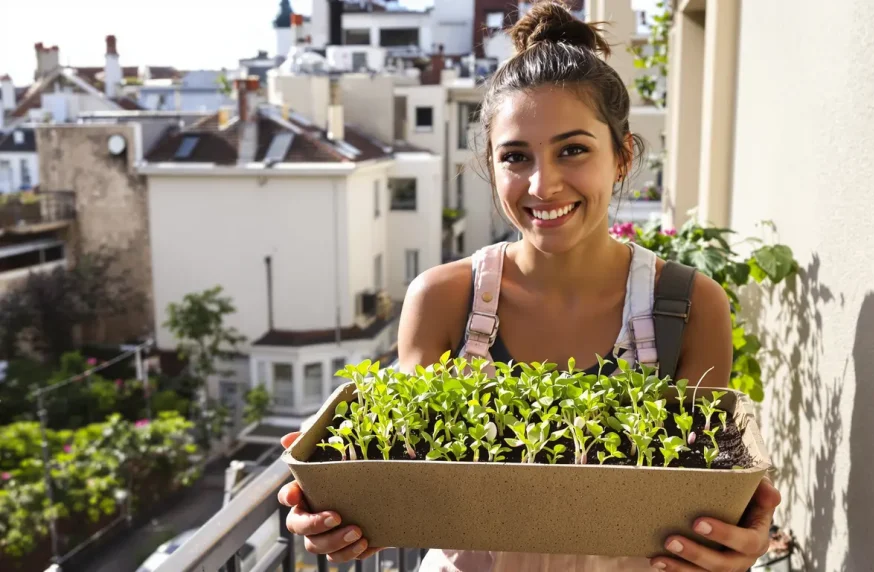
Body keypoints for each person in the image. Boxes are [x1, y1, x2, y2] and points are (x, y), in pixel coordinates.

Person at [276, 2, 780, 570]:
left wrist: (734, 541)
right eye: (516, 157)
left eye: (573, 150)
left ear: (622, 157)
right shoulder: (444, 300)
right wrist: (338, 505)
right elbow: (405, 476)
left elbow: (704, 494)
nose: (543, 184)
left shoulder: (690, 305)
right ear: (492, 169)